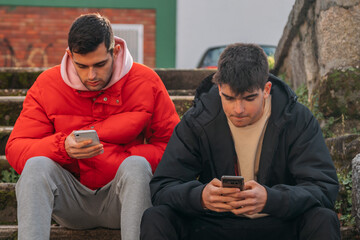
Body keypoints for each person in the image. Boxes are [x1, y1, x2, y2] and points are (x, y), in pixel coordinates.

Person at [5, 13, 179, 240]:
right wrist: (62, 148)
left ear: (115, 51)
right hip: (71, 202)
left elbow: (173, 149)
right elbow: (16, 148)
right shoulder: (47, 84)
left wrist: (119, 157)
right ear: (69, 55)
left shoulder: (146, 81)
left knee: (136, 166)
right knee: (36, 166)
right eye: (82, 66)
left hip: (124, 199)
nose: (92, 75)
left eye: (100, 64)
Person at [140, 43, 340, 239]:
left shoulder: (297, 119)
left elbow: (323, 188)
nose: (238, 109)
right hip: (213, 224)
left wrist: (271, 199)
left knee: (322, 219)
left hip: (278, 222)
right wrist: (200, 197)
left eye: (249, 98)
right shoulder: (198, 120)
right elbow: (162, 188)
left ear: (267, 89)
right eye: (229, 98)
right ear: (219, 88)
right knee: (157, 217)